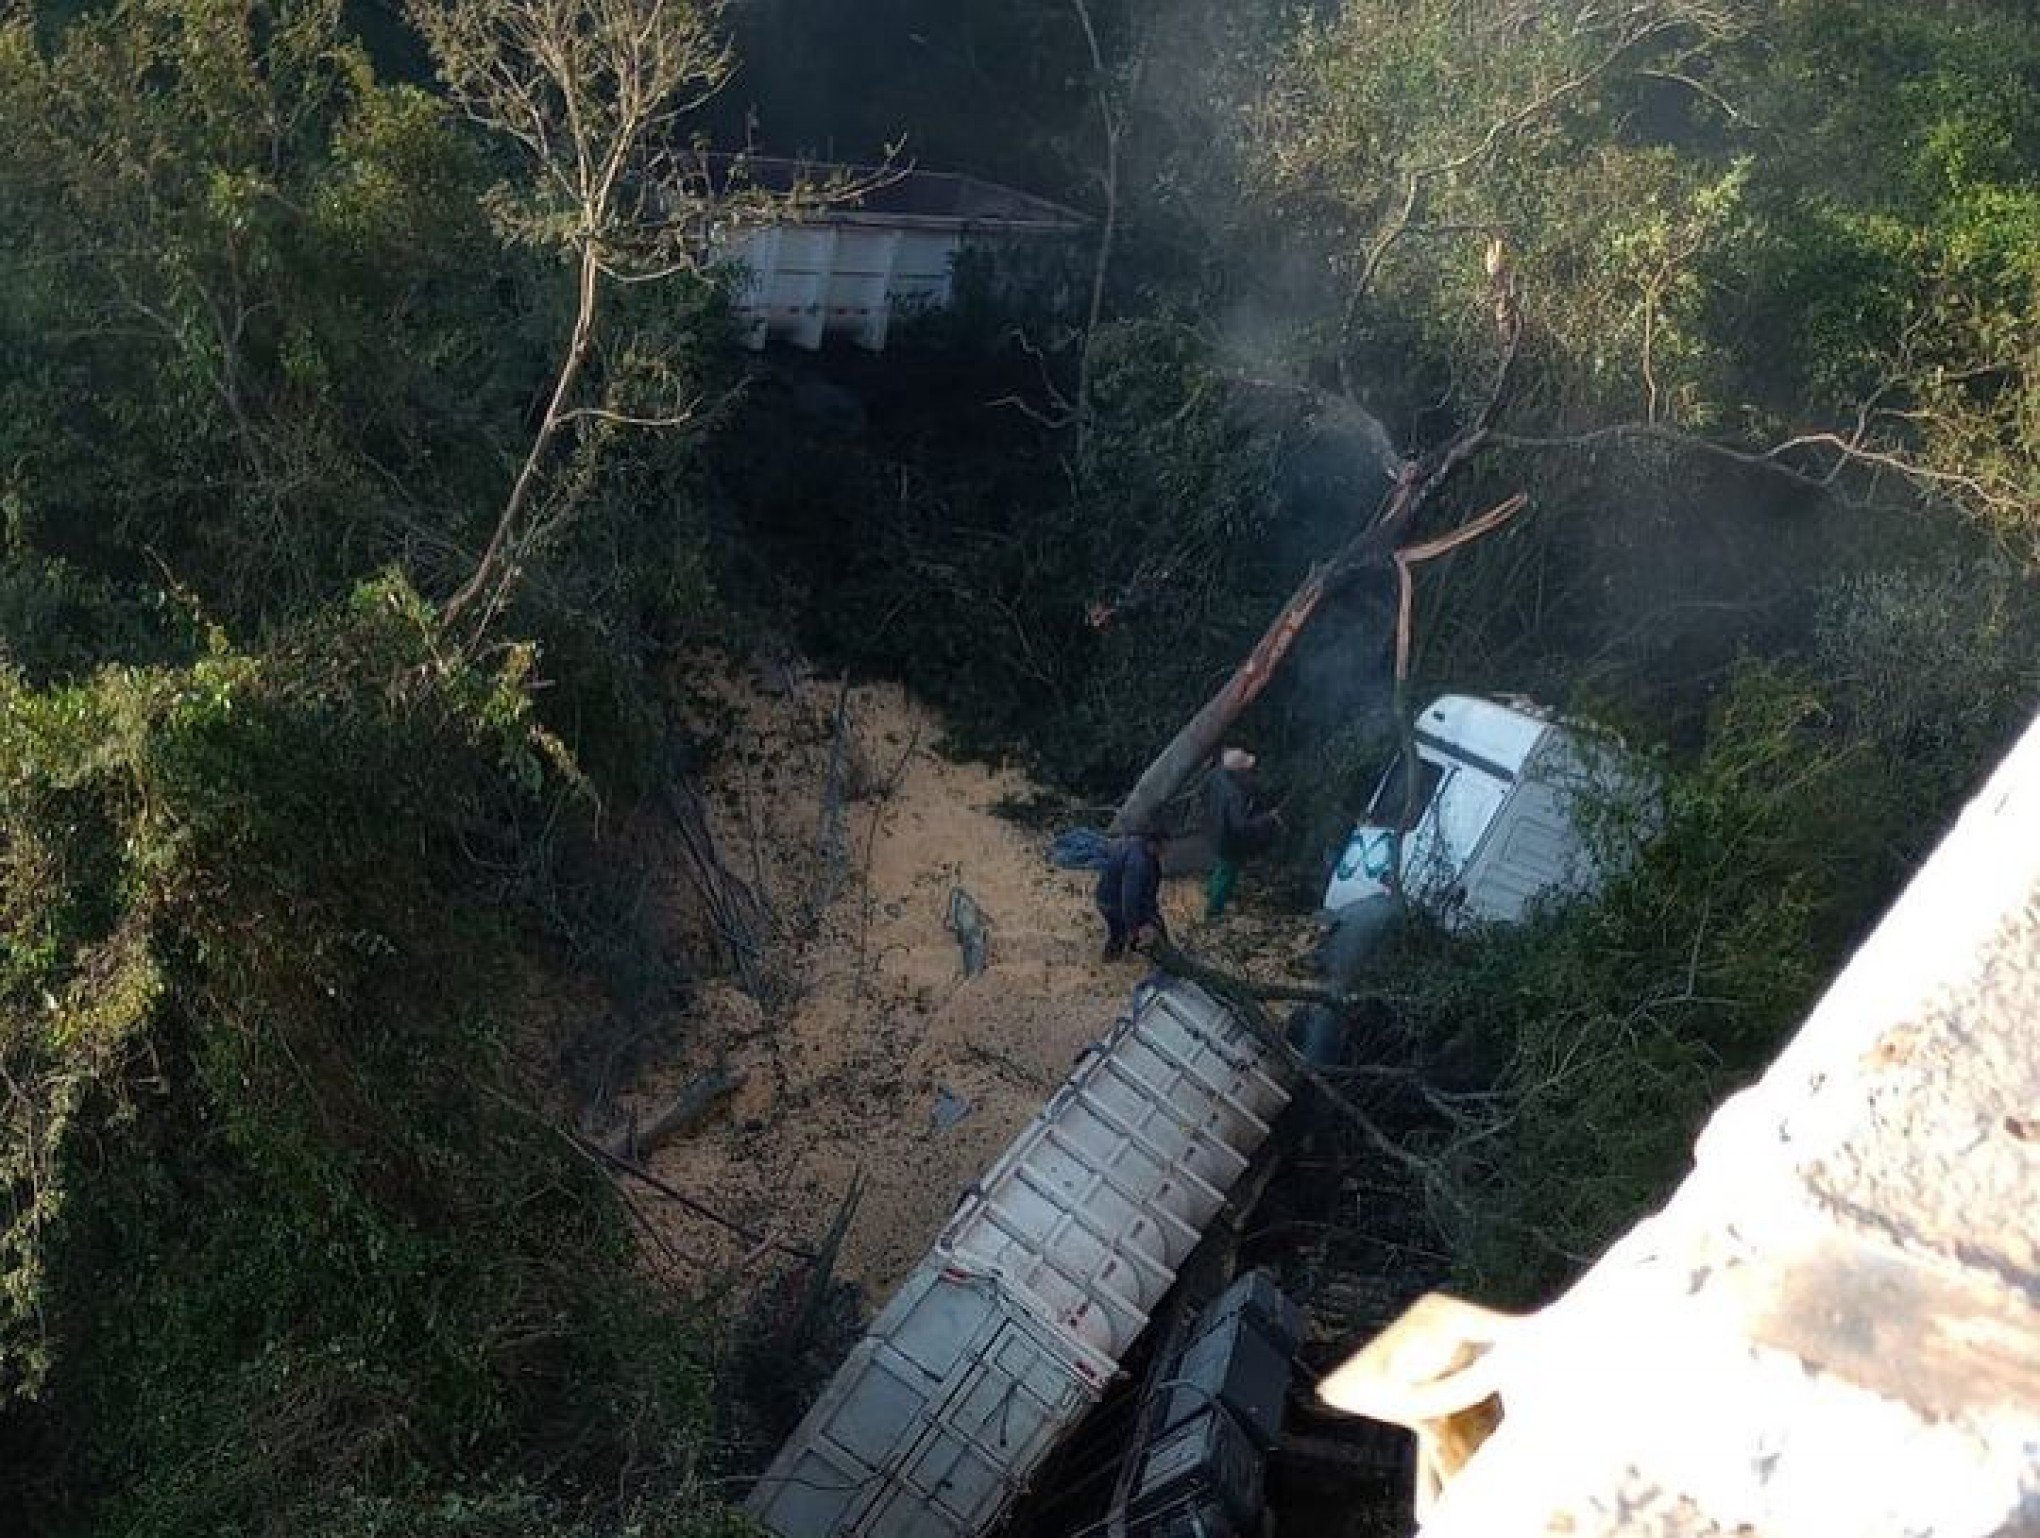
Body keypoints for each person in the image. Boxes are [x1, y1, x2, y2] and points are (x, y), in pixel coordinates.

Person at [1204, 746, 1280, 920]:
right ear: (1239, 772)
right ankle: (1213, 912)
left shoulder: (1216, 776)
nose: (1251, 772)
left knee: (1220, 867)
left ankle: (1210, 892)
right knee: (1227, 874)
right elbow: (1240, 825)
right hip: (1229, 840)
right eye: (1247, 770)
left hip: (1214, 831)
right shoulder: (1234, 795)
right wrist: (1267, 818)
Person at [1096, 825, 1167, 962]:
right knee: (1120, 933)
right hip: (1111, 902)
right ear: (1153, 843)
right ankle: (1112, 958)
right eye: (1162, 847)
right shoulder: (1137, 863)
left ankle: (1154, 952)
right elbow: (1129, 899)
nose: (1164, 851)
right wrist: (1134, 928)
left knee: (1154, 925)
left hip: (1112, 897)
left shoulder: (1142, 849)